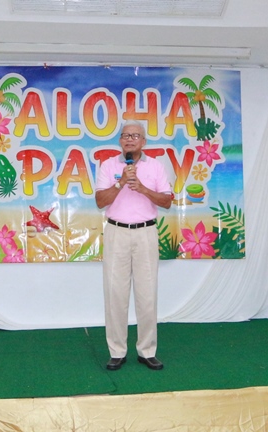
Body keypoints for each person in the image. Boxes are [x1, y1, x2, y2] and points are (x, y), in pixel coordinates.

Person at [95, 120, 172, 371]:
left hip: (146, 233)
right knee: (115, 294)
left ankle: (147, 351)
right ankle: (117, 351)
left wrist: (142, 188)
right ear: (120, 141)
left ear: (143, 141)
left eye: (135, 136)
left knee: (147, 294)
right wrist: (120, 183)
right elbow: (100, 201)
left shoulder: (156, 167)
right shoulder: (108, 165)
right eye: (125, 135)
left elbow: (167, 201)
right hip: (116, 232)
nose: (130, 139)